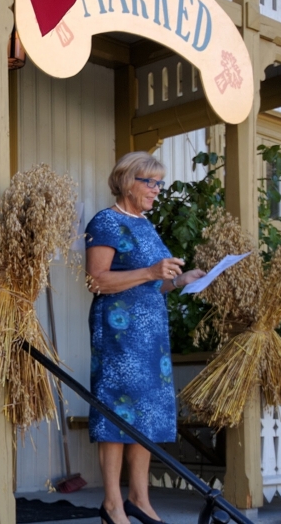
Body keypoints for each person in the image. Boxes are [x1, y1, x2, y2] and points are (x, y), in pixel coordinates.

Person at [84, 152, 205, 524]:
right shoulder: (106, 222)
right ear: (127, 182)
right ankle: (112, 505)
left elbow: (155, 282)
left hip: (151, 336)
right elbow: (97, 280)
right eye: (149, 182)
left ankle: (140, 499)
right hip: (119, 335)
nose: (156, 190)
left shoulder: (147, 225)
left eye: (159, 183)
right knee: (117, 414)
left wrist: (179, 281)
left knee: (146, 416)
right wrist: (152, 270)